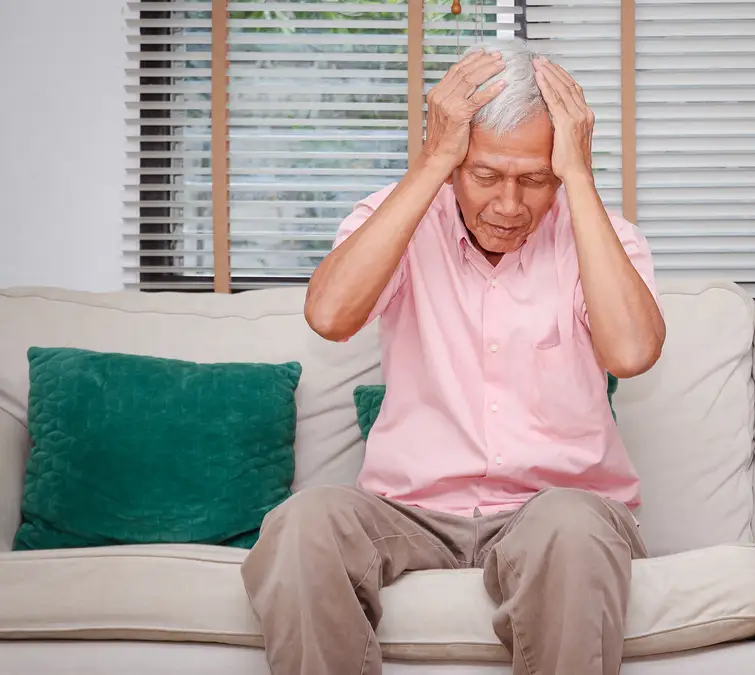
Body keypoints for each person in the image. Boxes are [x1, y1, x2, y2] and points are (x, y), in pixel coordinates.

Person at [240, 39, 666, 675]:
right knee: (302, 525)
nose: (509, 205)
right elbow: (329, 317)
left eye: (536, 179)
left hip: (555, 511)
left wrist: (578, 177)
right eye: (486, 175)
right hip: (409, 512)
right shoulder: (403, 216)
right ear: (456, 158)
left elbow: (631, 353)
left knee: (573, 526)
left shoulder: (601, 237)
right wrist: (433, 160)